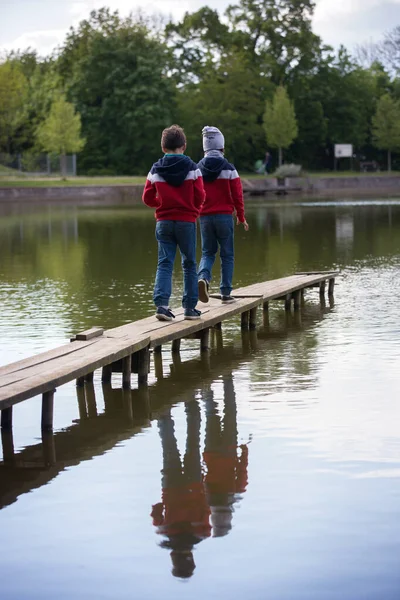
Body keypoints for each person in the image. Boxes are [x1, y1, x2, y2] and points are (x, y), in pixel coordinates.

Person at [142, 124, 205, 321]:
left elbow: (146, 197)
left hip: (164, 222)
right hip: (186, 221)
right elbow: (200, 196)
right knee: (189, 264)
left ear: (163, 148)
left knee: (164, 263)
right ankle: (189, 308)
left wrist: (160, 203)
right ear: (184, 146)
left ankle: (161, 305)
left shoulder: (155, 169)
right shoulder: (193, 168)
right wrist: (193, 211)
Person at [151, 401, 211, 579]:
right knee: (168, 445)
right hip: (171, 486)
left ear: (191, 557)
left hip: (193, 484)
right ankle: (164, 412)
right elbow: (155, 510)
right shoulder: (164, 532)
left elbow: (205, 506)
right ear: (173, 558)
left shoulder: (202, 532)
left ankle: (191, 404)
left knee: (193, 442)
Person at [197, 126, 249, 304]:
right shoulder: (229, 168)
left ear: (205, 148)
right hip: (224, 217)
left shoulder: (197, 169)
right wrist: (241, 216)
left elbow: (194, 193)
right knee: (227, 255)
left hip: (204, 217)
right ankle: (226, 293)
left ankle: (203, 277)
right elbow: (237, 194)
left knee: (207, 253)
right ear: (222, 148)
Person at [202, 375, 249, 538]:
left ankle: (227, 379)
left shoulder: (236, 491)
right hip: (211, 453)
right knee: (210, 416)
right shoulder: (208, 498)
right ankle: (206, 388)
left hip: (228, 450)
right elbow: (201, 478)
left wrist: (244, 451)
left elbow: (242, 470)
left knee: (230, 412)